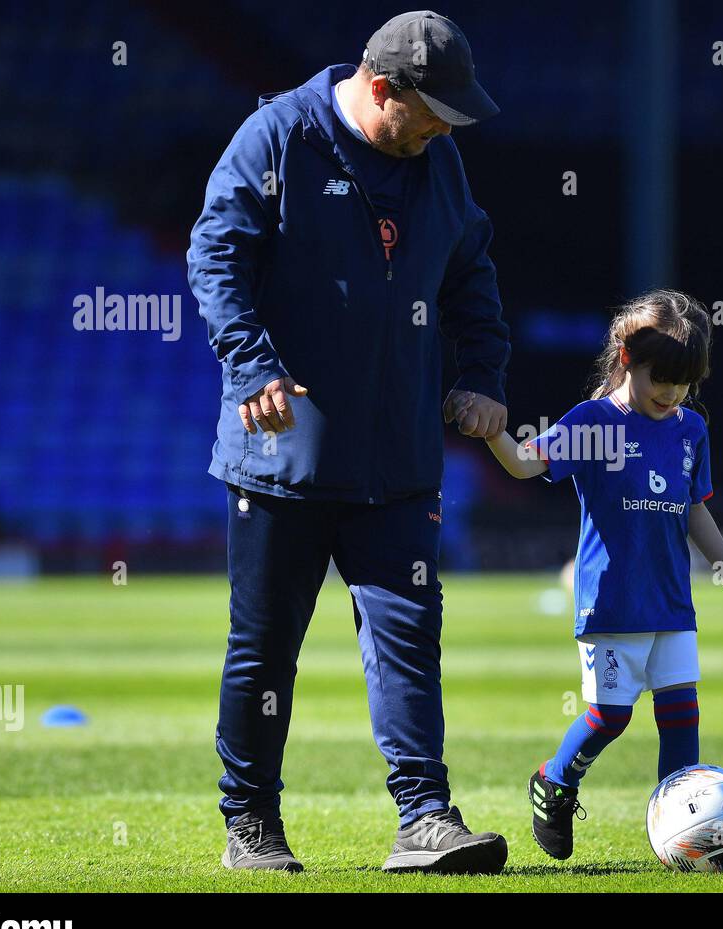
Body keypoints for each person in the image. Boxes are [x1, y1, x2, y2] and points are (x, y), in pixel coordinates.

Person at [187, 11, 511, 875]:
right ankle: (251, 824)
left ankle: (425, 816)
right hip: (282, 457)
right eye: (435, 112)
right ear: (381, 90)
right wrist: (252, 363)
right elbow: (214, 254)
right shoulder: (280, 136)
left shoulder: (436, 160)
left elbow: (471, 273)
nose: (447, 129)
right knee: (263, 649)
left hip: (398, 460)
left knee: (411, 637)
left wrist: (481, 373)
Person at [479, 289, 723, 860]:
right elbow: (524, 463)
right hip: (612, 603)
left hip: (671, 605)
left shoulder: (689, 429)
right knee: (610, 715)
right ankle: (555, 781)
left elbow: (692, 507)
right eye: (663, 378)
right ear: (627, 359)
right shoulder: (594, 424)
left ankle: (686, 833)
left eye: (686, 383)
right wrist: (492, 430)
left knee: (681, 715)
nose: (674, 393)